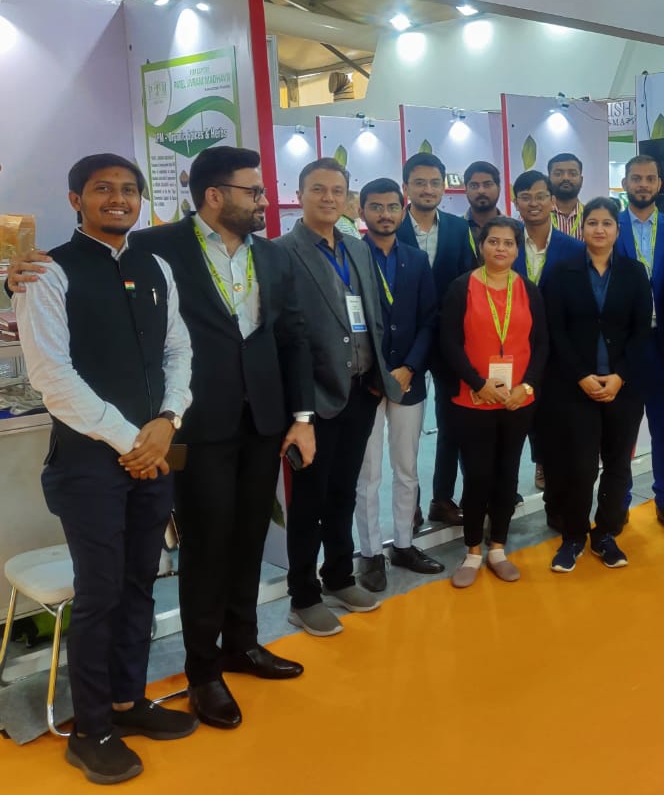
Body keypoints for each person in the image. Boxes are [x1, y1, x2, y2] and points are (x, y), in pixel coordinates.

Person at [14, 153, 197, 784]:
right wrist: (133, 441)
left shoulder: (155, 268)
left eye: (128, 189)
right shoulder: (47, 272)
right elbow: (52, 377)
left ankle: (127, 701)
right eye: (102, 189)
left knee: (141, 583)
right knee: (99, 594)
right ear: (76, 200)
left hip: (153, 452)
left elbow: (178, 349)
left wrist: (169, 419)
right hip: (89, 463)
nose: (118, 199)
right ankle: (90, 728)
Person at [132, 147, 314, 727]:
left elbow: (292, 336)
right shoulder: (155, 247)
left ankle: (242, 643)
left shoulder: (272, 255)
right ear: (214, 196)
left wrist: (302, 417)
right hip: (195, 421)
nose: (264, 201)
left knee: (249, 536)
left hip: (262, 420)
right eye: (253, 192)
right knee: (207, 546)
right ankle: (203, 671)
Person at [276, 158, 401, 636]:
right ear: (300, 195)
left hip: (361, 391)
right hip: (312, 400)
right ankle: (303, 596)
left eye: (337, 191)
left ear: (347, 198)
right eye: (318, 189)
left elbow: (373, 313)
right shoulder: (281, 252)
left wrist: (377, 373)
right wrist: (298, 406)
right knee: (309, 500)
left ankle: (339, 576)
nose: (329, 198)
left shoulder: (357, 248)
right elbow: (282, 334)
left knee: (344, 491)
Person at [540, 197, 651, 571]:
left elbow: (641, 330)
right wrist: (580, 375)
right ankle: (573, 536)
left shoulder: (635, 272)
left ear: (617, 230)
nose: (599, 229)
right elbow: (555, 330)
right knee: (580, 466)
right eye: (592, 223)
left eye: (607, 223)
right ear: (582, 228)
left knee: (618, 464)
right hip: (575, 387)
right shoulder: (561, 272)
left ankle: (605, 534)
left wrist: (620, 375)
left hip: (623, 387)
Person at [440, 217, 548, 587]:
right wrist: (478, 383)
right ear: (481, 245)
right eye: (493, 241)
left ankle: (498, 548)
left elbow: (541, 343)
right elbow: (449, 343)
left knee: (507, 475)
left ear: (518, 249)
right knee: (477, 475)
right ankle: (472, 551)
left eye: (508, 243)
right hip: (473, 399)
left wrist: (527, 386)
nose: (501, 248)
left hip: (517, 401)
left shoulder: (528, 290)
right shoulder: (462, 287)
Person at [354, 178, 443, 592]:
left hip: (408, 381)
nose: (385, 214)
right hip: (365, 382)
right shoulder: (351, 255)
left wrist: (410, 367)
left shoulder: (415, 259)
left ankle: (404, 544)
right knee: (368, 472)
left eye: (392, 207)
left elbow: (429, 318)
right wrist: (374, 371)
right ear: (362, 211)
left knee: (407, 467)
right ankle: (370, 553)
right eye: (376, 207)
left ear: (402, 210)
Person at [613, 153, 664, 532]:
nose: (642, 184)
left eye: (649, 178)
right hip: (625, 345)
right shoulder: (610, 225)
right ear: (625, 183)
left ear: (659, 184)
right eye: (636, 178)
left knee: (663, 429)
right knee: (622, 432)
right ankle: (618, 502)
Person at [397, 151, 474, 528]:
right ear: (406, 186)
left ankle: (441, 500)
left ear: (444, 187)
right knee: (404, 432)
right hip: (402, 345)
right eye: (419, 182)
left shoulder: (459, 229)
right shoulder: (391, 225)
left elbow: (468, 282)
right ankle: (407, 505)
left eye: (434, 183)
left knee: (451, 425)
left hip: (448, 342)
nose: (428, 189)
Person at [511, 168, 585, 494]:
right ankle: (506, 492)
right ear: (516, 203)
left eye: (541, 196)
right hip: (513, 348)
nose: (534, 203)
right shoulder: (505, 243)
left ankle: (548, 471)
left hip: (558, 349)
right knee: (514, 419)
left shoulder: (574, 248)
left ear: (552, 200)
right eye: (526, 197)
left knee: (555, 418)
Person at [463, 160, 503, 262]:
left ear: (499, 189)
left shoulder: (516, 229)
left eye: (487, 185)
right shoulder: (455, 229)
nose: (481, 191)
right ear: (466, 190)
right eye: (474, 186)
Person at [547, 152, 586, 240]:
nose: (566, 178)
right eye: (558, 174)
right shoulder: (536, 215)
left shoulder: (591, 216)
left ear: (581, 180)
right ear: (548, 179)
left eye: (573, 174)